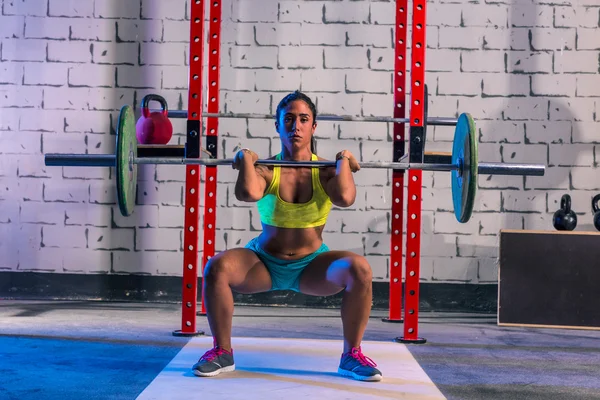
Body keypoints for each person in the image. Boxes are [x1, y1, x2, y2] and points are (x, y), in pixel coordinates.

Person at [192, 91, 382, 382]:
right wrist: (245, 158)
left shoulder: (326, 171)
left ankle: (351, 355)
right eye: (289, 119)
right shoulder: (266, 170)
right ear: (277, 126)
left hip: (312, 267)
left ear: (314, 126)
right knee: (215, 267)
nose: (296, 126)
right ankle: (222, 351)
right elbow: (247, 193)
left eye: (304, 119)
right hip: (263, 264)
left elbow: (345, 197)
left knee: (360, 269)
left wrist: (343, 160)